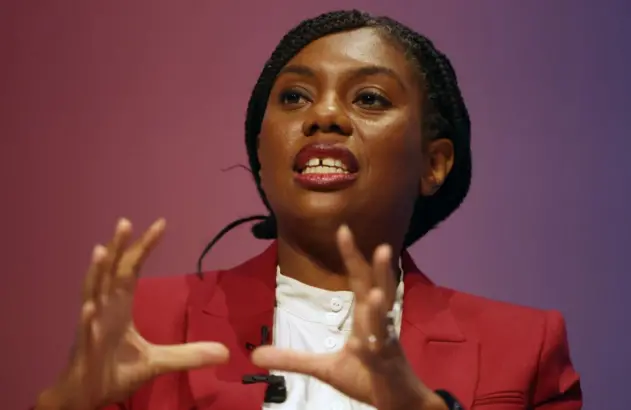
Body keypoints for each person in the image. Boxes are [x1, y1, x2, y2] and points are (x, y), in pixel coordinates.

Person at [33, 9, 582, 410]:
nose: (323, 115)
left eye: (369, 98)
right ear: (261, 152)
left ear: (433, 165)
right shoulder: (149, 323)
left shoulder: (524, 346)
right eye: (294, 97)